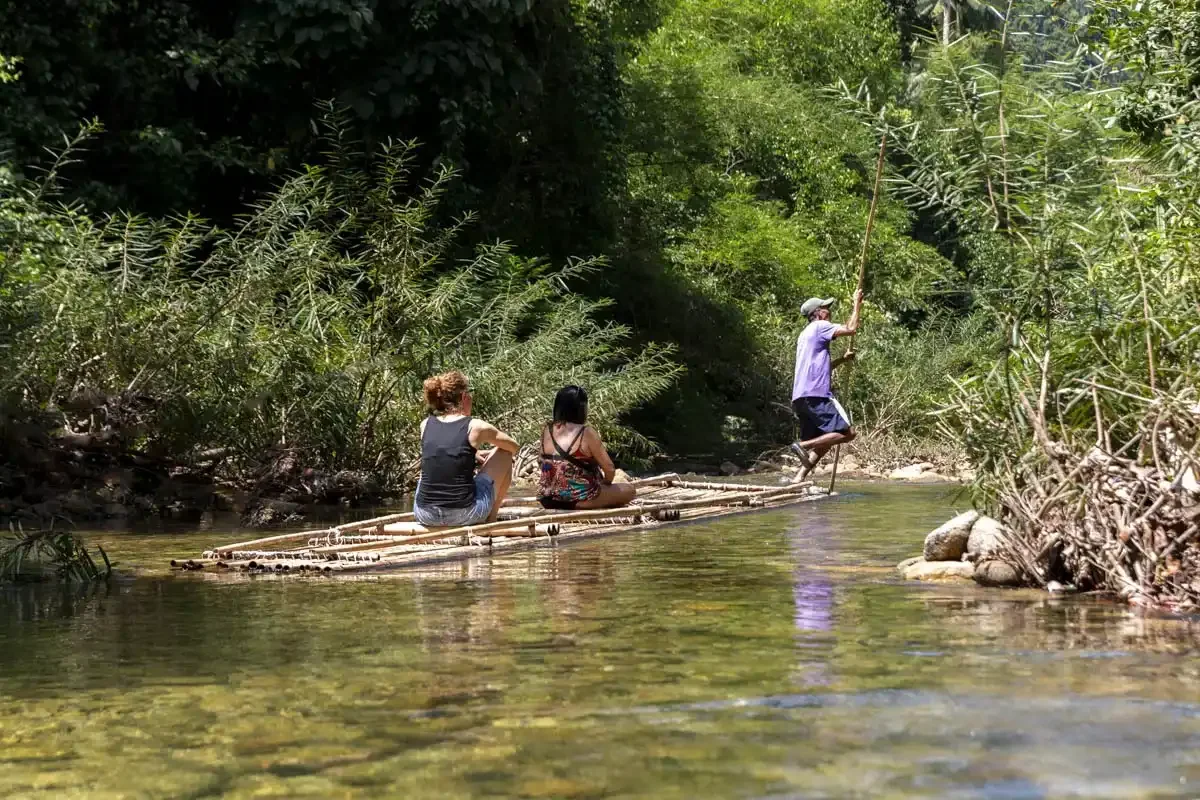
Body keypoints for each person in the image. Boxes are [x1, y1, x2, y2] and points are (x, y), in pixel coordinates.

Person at [413, 370, 519, 526]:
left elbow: (442, 452)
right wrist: (493, 453)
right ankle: (491, 519)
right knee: (505, 453)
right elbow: (513, 446)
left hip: (424, 515)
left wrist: (473, 453)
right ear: (464, 397)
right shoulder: (475, 426)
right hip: (465, 515)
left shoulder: (425, 424)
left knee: (427, 470)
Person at [789, 289, 862, 479]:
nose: (829, 312)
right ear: (818, 313)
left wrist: (842, 359)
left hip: (801, 397)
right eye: (826, 308)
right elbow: (851, 328)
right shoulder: (820, 326)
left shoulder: (804, 335)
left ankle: (798, 478)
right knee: (848, 433)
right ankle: (801, 446)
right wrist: (857, 303)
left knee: (825, 441)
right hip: (817, 394)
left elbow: (822, 367)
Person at [537, 385, 636, 510]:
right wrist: (605, 483)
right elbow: (610, 469)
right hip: (577, 500)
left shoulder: (547, 429)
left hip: (547, 500)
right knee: (629, 490)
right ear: (582, 408)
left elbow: (541, 461)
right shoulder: (586, 432)